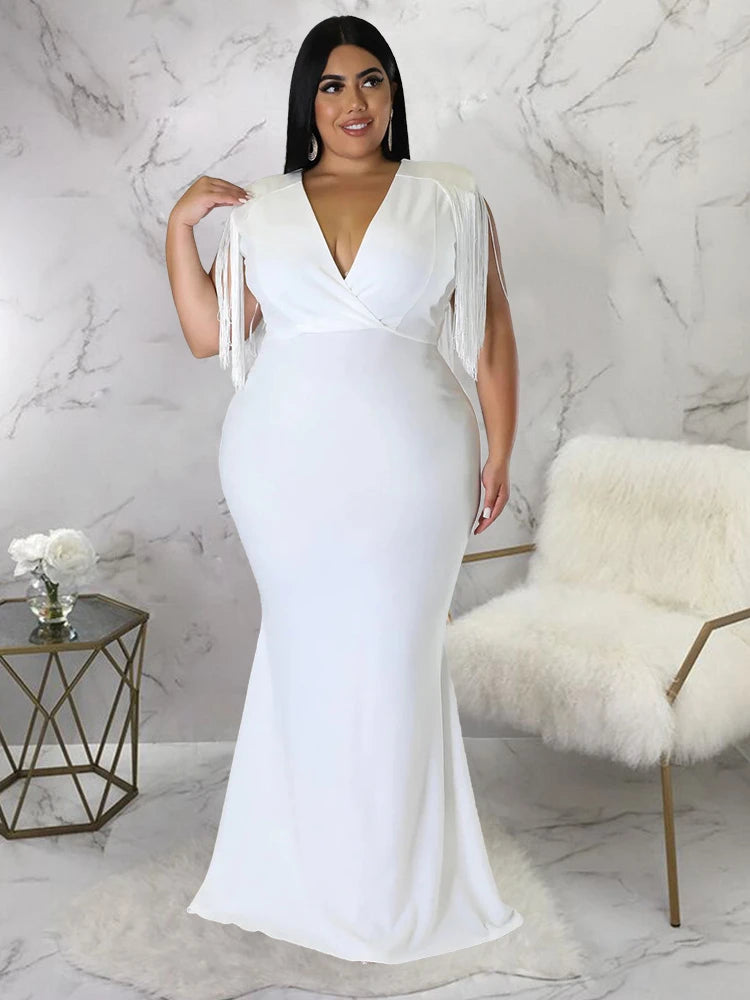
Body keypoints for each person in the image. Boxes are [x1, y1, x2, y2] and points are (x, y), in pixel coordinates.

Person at [165, 14, 521, 966]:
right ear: (307, 102)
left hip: (417, 464)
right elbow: (208, 334)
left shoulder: (451, 198)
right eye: (331, 85)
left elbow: (490, 327)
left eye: (370, 80)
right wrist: (179, 228)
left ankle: (392, 888)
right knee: (308, 657)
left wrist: (500, 450)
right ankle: (303, 877)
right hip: (283, 466)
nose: (353, 101)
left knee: (398, 656)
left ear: (393, 92)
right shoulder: (262, 208)